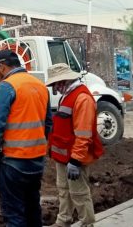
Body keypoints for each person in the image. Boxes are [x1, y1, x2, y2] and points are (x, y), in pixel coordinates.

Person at [0, 50, 52, 227]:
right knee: (32, 209)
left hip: (13, 162)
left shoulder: (7, 87)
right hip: (36, 161)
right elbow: (48, 124)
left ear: (2, 66)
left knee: (14, 214)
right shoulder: (40, 86)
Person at [45, 63, 104, 227]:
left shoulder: (82, 98)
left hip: (74, 158)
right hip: (64, 155)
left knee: (79, 193)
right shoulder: (69, 95)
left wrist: (76, 161)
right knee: (63, 189)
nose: (55, 89)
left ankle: (87, 223)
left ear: (64, 81)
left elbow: (83, 134)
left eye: (55, 84)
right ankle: (63, 220)